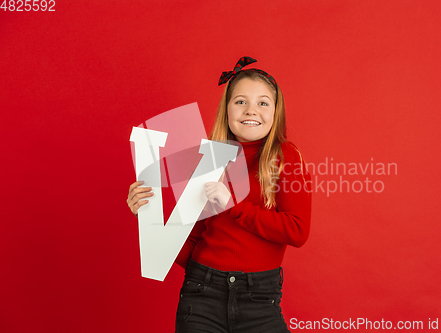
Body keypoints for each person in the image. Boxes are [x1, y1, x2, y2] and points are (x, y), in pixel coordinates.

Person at [127, 56, 312, 333]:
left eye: (263, 103)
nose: (251, 110)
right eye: (240, 102)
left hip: (259, 297)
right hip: (202, 292)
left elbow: (297, 231)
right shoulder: (209, 158)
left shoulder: (285, 157)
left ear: (276, 112)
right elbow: (192, 244)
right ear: (227, 109)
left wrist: (234, 206)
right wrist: (150, 221)